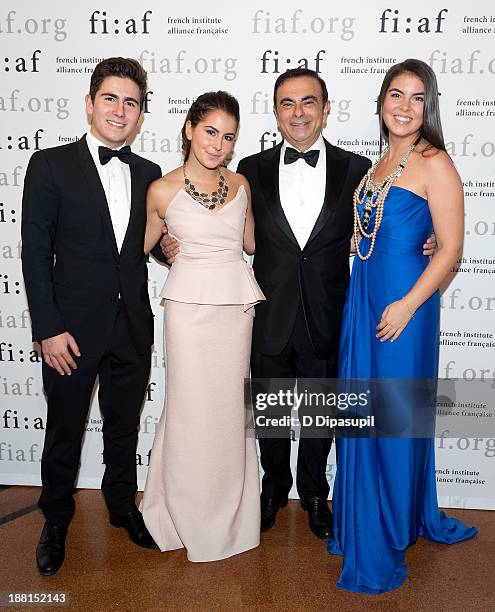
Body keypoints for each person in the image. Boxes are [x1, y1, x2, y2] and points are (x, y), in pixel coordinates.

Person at [161, 68, 436, 540]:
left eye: (309, 102)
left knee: (319, 413)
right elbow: (208, 222)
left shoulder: (360, 170)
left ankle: (313, 491)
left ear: (326, 110)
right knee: (267, 409)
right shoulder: (248, 170)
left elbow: (389, 219)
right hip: (266, 311)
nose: (298, 113)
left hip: (330, 312)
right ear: (275, 112)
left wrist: (423, 241)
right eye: (287, 103)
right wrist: (164, 245)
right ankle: (272, 489)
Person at [327, 59, 478, 593]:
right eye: (396, 94)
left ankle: (392, 525)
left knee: (393, 412)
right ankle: (375, 515)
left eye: (417, 97)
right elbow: (372, 229)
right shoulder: (379, 162)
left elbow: (452, 246)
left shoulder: (435, 162)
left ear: (428, 106)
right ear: (381, 101)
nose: (405, 106)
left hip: (404, 307)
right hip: (366, 298)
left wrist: (410, 303)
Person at [21, 57, 162, 576]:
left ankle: (122, 505)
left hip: (131, 329)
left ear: (141, 113)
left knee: (123, 428)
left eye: (131, 102)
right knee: (64, 429)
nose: (120, 110)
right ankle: (56, 518)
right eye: (111, 98)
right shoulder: (50, 164)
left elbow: (150, 244)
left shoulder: (149, 174)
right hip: (69, 332)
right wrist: (47, 329)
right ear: (89, 102)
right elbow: (34, 253)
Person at [141, 91, 264, 562]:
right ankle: (183, 512)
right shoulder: (161, 189)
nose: (218, 144)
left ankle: (231, 516)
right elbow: (135, 250)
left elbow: (252, 242)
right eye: (210, 131)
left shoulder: (241, 184)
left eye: (228, 136)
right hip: (188, 312)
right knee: (191, 409)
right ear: (190, 129)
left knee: (231, 410)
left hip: (235, 310)